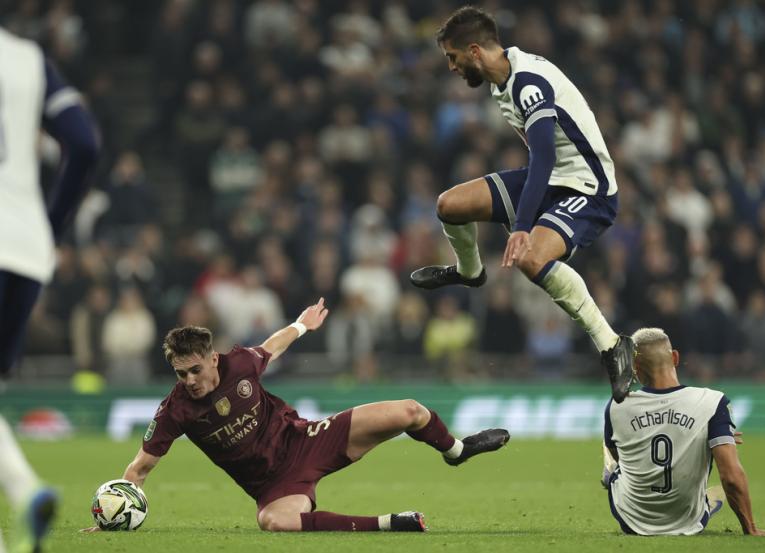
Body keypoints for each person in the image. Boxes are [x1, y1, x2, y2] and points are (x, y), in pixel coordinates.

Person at [83, 298, 509, 533]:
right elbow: (140, 468)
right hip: (274, 483)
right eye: (181, 373)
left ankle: (456, 450)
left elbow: (273, 345)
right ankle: (389, 524)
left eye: (196, 369)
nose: (191, 380)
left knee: (410, 411)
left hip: (307, 438)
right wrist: (113, 512)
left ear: (212, 359)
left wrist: (303, 325)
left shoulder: (240, 365)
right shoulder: (174, 409)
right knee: (274, 522)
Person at [409, 6, 634, 402]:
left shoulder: (527, 82)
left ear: (474, 50)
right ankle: (470, 272)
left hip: (586, 187)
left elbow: (545, 158)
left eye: (453, 57)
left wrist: (523, 225)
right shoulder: (502, 78)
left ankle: (611, 345)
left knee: (531, 258)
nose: (451, 66)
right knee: (450, 205)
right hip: (549, 179)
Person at [0, 25, 99, 553]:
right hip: (23, 246)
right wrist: (49, 227)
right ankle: (25, 497)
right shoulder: (26, 58)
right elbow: (84, 144)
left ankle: (26, 490)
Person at [602, 327, 765, 536]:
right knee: (717, 490)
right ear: (675, 357)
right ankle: (707, 483)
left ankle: (609, 473)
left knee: (612, 455)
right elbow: (730, 476)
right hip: (688, 520)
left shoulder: (617, 406)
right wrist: (750, 529)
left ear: (634, 368)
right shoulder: (712, 402)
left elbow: (624, 459)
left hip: (631, 519)